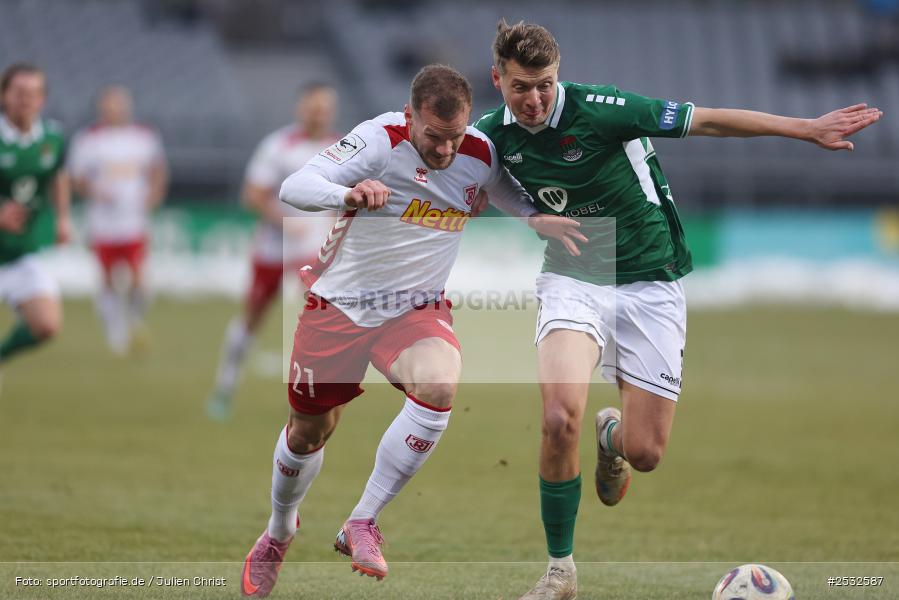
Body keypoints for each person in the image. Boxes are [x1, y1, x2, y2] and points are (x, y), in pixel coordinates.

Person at [473, 20, 883, 600]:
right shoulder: (490, 135)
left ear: (557, 75)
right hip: (575, 275)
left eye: (544, 84)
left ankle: (613, 437)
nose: (534, 99)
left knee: (646, 454)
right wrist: (530, 218)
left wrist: (804, 128)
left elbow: (707, 119)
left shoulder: (606, 109)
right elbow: (476, 180)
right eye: (520, 87)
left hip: (649, 279)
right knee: (559, 414)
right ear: (498, 80)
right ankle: (560, 571)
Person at [239, 64, 584, 599]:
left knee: (440, 386)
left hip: (414, 309)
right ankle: (280, 530)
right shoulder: (378, 141)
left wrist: (535, 219)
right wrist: (348, 194)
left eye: (455, 137)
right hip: (339, 308)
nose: (446, 151)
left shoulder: (479, 150)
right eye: (433, 137)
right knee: (310, 432)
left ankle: (362, 520)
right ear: (409, 117)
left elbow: (502, 190)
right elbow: (294, 186)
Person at [207, 83, 340, 420]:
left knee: (316, 319)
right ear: (300, 108)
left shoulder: (343, 147)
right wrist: (283, 220)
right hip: (273, 248)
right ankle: (225, 385)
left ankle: (307, 398)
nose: (319, 112)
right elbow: (252, 194)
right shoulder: (278, 146)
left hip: (314, 251)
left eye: (324, 106)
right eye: (313, 106)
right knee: (253, 315)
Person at [69, 85, 168, 355]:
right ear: (101, 107)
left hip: (134, 220)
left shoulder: (144, 136)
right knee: (108, 280)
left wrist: (155, 193)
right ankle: (115, 330)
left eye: (119, 103)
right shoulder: (88, 139)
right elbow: (76, 178)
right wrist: (95, 190)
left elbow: (158, 169)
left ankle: (134, 319)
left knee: (139, 280)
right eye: (109, 103)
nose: (115, 108)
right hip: (103, 222)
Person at [0, 63, 70, 373]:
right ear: (4, 96)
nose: (26, 99)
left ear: (42, 99)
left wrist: (63, 218)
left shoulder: (52, 138)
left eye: (33, 93)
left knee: (47, 325)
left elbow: (58, 175)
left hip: (20, 254)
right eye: (19, 92)